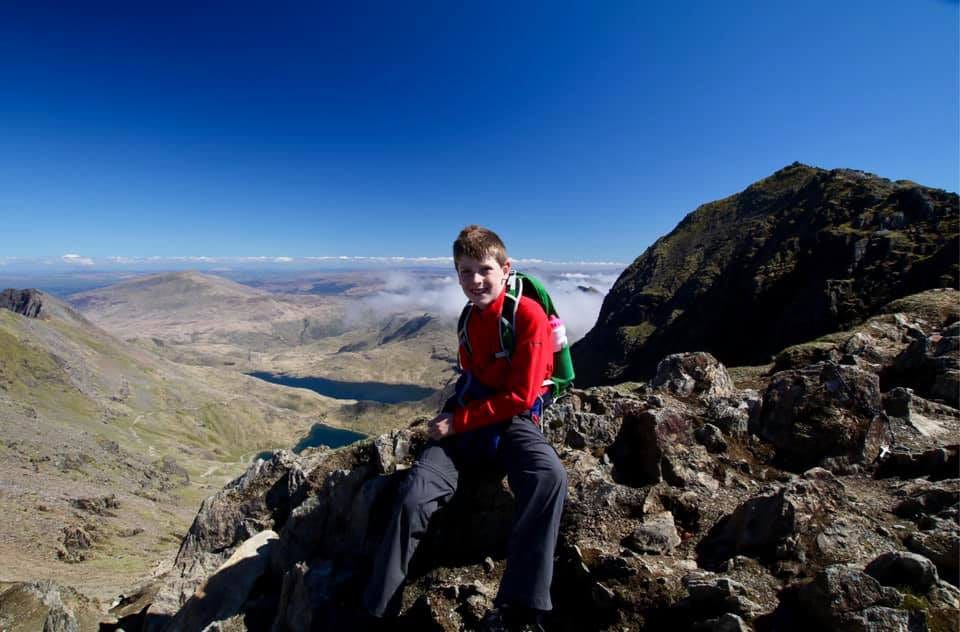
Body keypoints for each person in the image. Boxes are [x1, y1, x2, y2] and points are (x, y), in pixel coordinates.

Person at [362, 225, 567, 631]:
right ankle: (377, 609)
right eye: (464, 271)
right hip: (471, 413)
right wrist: (456, 420)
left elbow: (522, 398)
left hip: (510, 419)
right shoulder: (469, 319)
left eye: (483, 270)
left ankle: (522, 606)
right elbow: (470, 377)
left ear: (505, 269)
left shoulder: (526, 314)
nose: (473, 281)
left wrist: (456, 423)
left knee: (549, 476)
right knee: (414, 495)